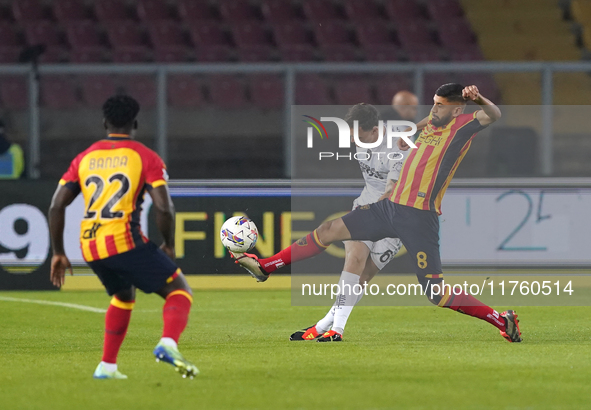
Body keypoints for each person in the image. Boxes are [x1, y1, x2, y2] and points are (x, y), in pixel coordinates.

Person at [232, 84, 522, 343]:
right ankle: (267, 268)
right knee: (328, 231)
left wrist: (480, 98)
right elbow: (424, 124)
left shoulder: (463, 126)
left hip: (418, 216)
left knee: (437, 294)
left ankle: (501, 320)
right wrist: (414, 128)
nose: (433, 108)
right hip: (389, 209)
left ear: (457, 108)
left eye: (440, 105)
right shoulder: (431, 124)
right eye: (433, 102)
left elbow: (493, 115)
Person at [48, 95, 199, 379]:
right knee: (179, 291)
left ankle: (107, 367)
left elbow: (57, 205)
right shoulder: (145, 156)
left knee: (123, 294)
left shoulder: (84, 157)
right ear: (136, 123)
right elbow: (164, 207)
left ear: (105, 123)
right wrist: (168, 242)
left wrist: (58, 251)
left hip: (90, 246)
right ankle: (167, 344)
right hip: (123, 241)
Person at [290, 103, 407, 342]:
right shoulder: (361, 138)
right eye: (352, 137)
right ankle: (337, 330)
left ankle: (323, 325)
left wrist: (382, 207)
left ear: (375, 131)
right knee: (354, 259)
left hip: (394, 214)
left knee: (361, 279)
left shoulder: (399, 146)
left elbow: (391, 188)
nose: (355, 142)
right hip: (365, 206)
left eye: (359, 137)